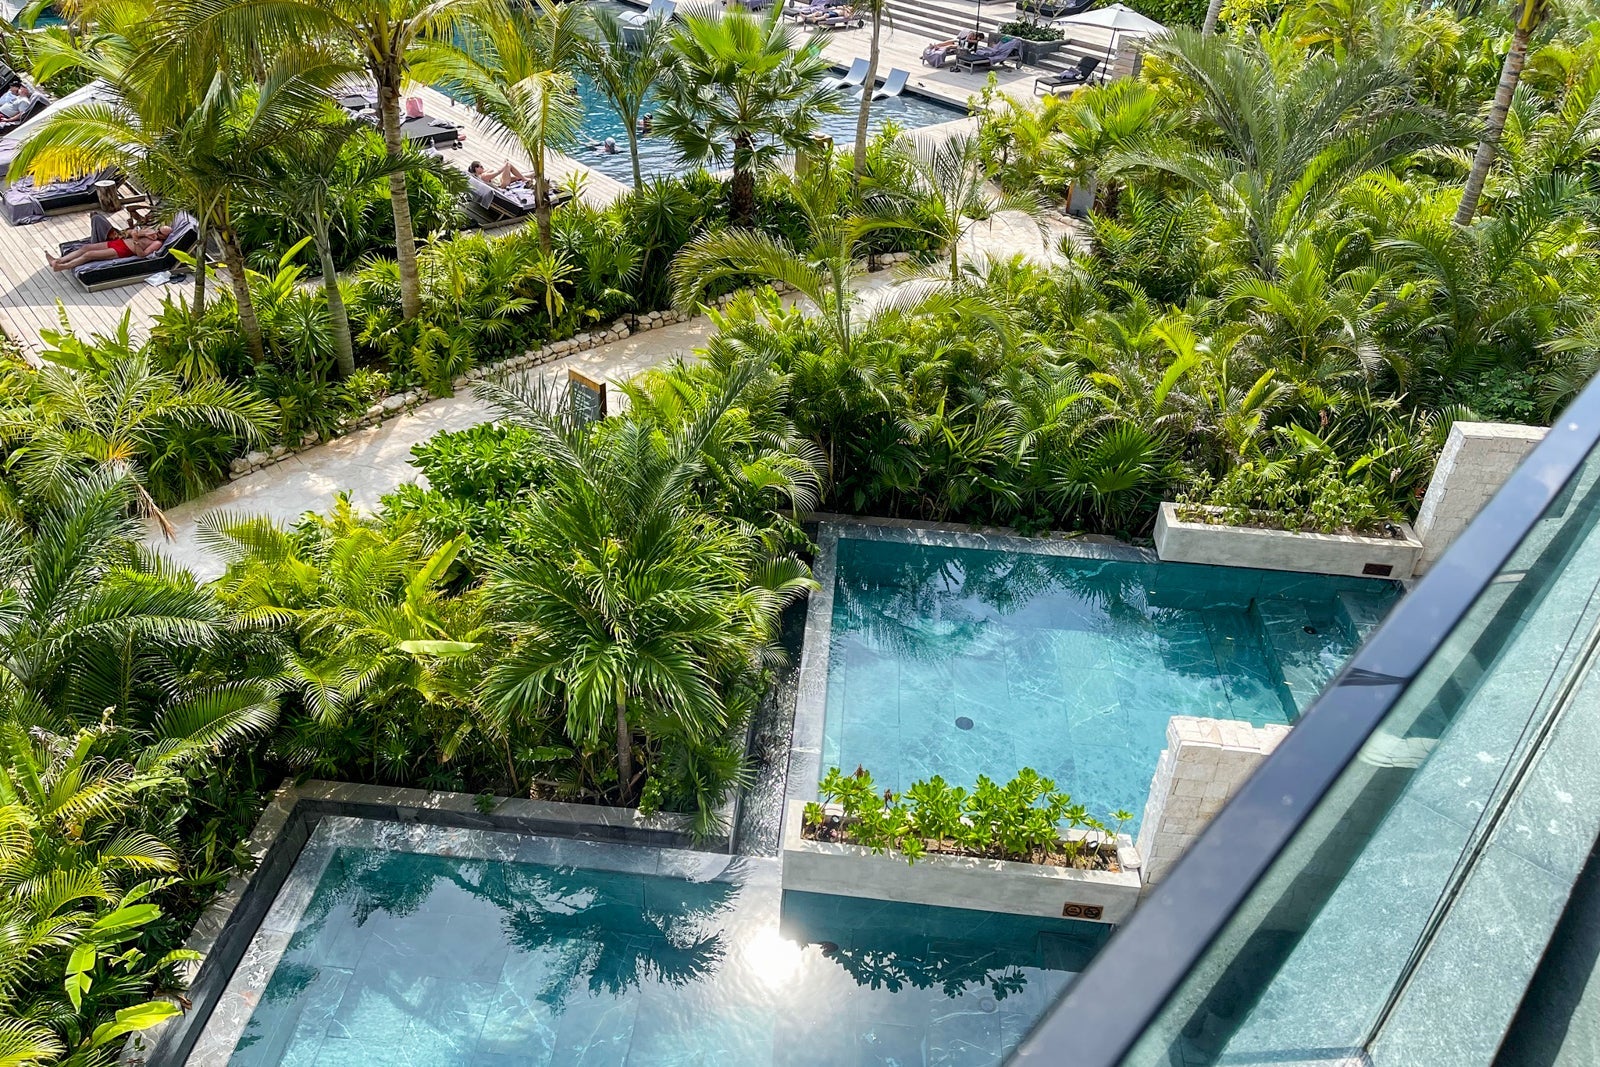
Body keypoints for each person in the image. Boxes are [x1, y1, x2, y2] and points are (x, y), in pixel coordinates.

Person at [46, 224, 171, 271]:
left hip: (124, 250)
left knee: (89, 255)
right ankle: (59, 260)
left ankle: (62, 267)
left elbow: (142, 255)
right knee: (86, 248)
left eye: (160, 234)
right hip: (120, 242)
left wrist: (136, 240)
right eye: (158, 230)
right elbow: (130, 231)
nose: (157, 234)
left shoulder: (157, 243)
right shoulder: (150, 231)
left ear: (164, 238)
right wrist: (142, 233)